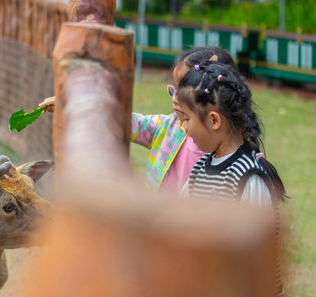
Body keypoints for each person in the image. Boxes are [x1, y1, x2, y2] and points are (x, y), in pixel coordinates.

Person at [38, 47, 237, 194]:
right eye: (173, 89)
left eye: (184, 91)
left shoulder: (235, 161)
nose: (175, 98)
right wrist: (73, 104)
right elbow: (124, 120)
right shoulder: (167, 128)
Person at [176, 59, 286, 291]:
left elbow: (257, 255)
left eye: (186, 119)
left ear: (214, 120)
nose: (182, 127)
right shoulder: (199, 170)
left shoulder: (248, 177)